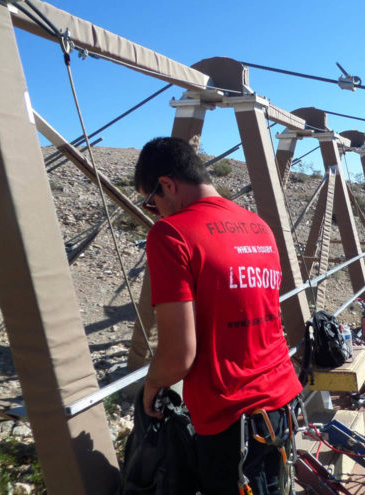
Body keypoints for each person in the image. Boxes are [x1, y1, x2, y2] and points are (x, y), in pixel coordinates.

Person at [134, 137, 302, 494]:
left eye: (151, 202)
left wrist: (151, 386)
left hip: (231, 419)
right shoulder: (259, 227)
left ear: (167, 184)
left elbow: (179, 355)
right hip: (283, 401)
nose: (155, 213)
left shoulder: (171, 234)